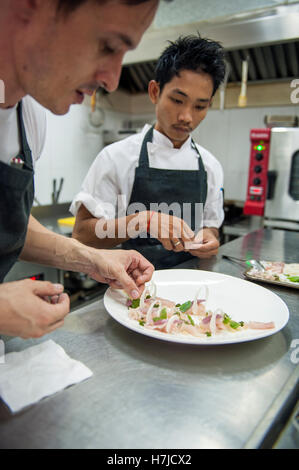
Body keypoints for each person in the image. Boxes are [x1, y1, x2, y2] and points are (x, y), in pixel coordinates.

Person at [0, 0, 160, 339]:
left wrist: (94, 260)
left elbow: (12, 225)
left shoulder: (28, 119)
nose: (113, 80)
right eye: (108, 46)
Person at [71, 35, 226, 270]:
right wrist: (142, 221)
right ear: (155, 92)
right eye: (177, 100)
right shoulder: (116, 158)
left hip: (193, 292)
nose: (186, 116)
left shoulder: (210, 166)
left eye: (200, 106)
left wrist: (210, 238)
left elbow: (211, 226)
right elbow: (82, 234)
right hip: (133, 291)